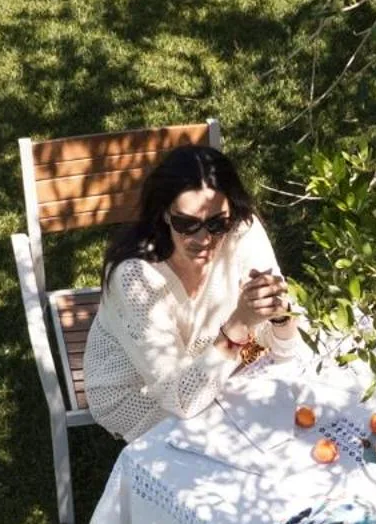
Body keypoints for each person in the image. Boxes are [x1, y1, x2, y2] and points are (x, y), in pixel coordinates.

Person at [81, 144, 304, 442]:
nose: (203, 239)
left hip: (218, 368)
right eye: (186, 224)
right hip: (139, 394)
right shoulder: (135, 276)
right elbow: (181, 400)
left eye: (217, 223)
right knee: (241, 438)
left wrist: (279, 317)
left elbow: (288, 350)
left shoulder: (241, 231)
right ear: (164, 214)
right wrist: (239, 324)